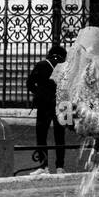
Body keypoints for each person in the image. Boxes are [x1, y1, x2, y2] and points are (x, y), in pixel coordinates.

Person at [27, 45, 67, 175]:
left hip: (44, 104)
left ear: (50, 54)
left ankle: (44, 167)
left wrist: (39, 93)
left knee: (41, 135)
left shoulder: (42, 64)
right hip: (63, 103)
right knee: (60, 136)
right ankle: (60, 167)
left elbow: (29, 83)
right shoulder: (68, 66)